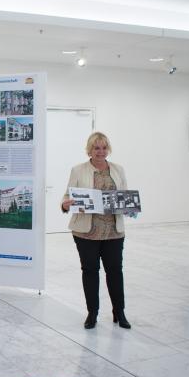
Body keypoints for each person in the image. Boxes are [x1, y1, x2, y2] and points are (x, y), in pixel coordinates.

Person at [61, 132, 131, 330]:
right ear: (89, 150)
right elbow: (67, 196)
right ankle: (92, 313)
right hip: (86, 232)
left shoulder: (118, 169)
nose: (100, 151)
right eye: (96, 148)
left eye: (104, 147)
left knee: (115, 272)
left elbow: (124, 195)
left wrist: (128, 206)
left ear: (108, 149)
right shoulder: (78, 170)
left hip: (113, 231)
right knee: (90, 271)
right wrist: (66, 205)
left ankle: (119, 311)